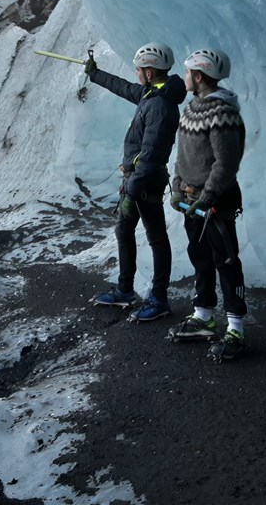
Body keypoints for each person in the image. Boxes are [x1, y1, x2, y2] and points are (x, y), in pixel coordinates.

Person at [87, 43, 186, 322]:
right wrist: (95, 74)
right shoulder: (153, 94)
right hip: (138, 179)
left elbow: (151, 155)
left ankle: (158, 298)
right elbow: (124, 88)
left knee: (156, 238)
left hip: (146, 181)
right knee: (125, 231)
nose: (136, 73)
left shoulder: (160, 106)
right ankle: (126, 289)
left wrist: (132, 188)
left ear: (150, 71)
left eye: (139, 69)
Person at [167, 49, 248, 361]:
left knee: (225, 261)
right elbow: (183, 155)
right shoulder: (192, 109)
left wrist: (209, 194)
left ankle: (236, 328)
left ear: (198, 77)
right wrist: (177, 186)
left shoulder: (222, 112)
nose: (185, 77)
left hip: (215, 202)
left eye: (188, 73)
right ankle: (203, 315)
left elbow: (226, 163)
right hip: (192, 200)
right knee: (199, 255)